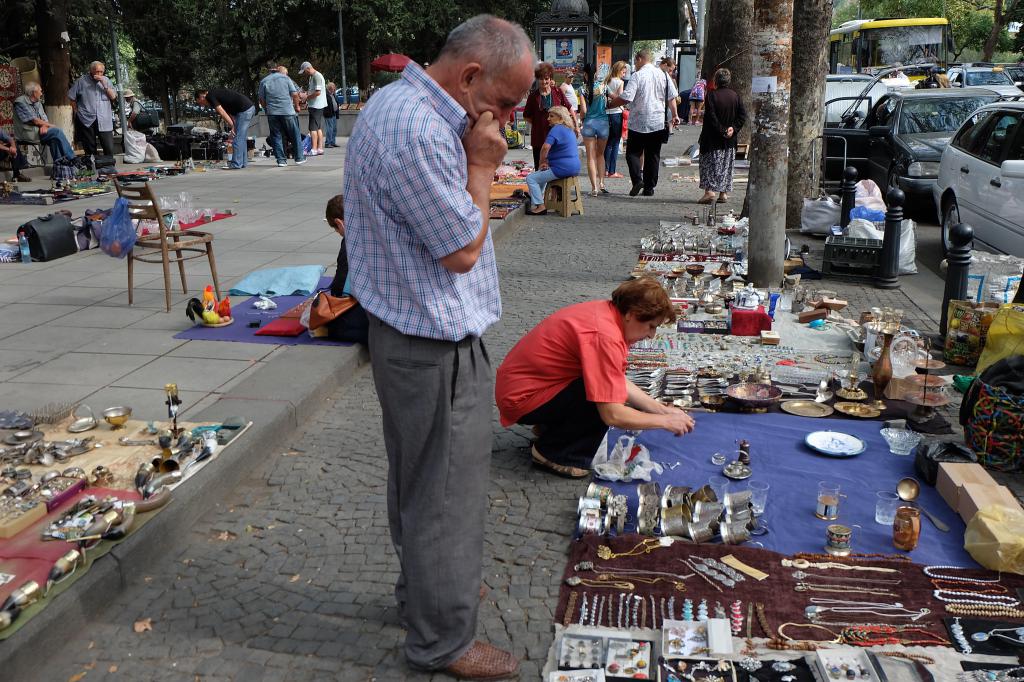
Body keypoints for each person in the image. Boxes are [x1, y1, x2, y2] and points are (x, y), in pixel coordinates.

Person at [343, 14, 534, 680]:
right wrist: (482, 167)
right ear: (471, 74)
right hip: (430, 340)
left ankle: (424, 601)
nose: (506, 119)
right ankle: (442, 641)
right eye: (505, 102)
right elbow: (460, 247)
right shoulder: (417, 127)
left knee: (419, 484)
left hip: (415, 335)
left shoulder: (407, 108)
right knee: (444, 497)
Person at [496, 277, 695, 477]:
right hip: (522, 399)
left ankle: (552, 429)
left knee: (604, 386)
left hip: (527, 387)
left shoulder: (607, 312)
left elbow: (615, 378)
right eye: (651, 326)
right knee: (601, 396)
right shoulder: (605, 336)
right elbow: (613, 414)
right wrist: (664, 422)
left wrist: (662, 410)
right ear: (632, 315)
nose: (652, 335)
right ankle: (554, 453)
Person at [607, 49, 679, 197]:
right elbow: (671, 97)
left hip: (638, 121)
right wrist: (675, 115)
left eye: (635, 61)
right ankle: (649, 188)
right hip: (657, 122)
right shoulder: (664, 75)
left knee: (633, 153)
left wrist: (610, 104)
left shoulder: (637, 76)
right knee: (653, 155)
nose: (635, 64)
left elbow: (627, 97)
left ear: (640, 59)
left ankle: (637, 180)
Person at [323, 194, 368, 344]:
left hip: (372, 312)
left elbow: (340, 288)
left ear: (339, 223)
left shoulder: (350, 242)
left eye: (337, 230)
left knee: (332, 323)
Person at [698, 68, 747, 204]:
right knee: (726, 165)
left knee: (709, 165)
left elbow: (711, 117)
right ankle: (723, 193)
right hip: (730, 140)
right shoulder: (735, 96)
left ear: (716, 81)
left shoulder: (711, 96)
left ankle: (709, 192)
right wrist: (733, 128)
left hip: (712, 139)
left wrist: (722, 130)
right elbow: (742, 116)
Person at [525, 106, 580, 215]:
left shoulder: (557, 129)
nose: (548, 119)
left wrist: (542, 162)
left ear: (560, 118)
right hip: (574, 166)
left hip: (563, 168)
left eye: (551, 116)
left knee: (531, 178)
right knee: (541, 175)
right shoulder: (569, 129)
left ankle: (540, 206)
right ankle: (537, 197)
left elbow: (545, 148)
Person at [523, 62, 571, 169]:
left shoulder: (558, 92)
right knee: (540, 166)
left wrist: (572, 126)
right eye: (541, 79)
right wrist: (537, 123)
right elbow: (526, 115)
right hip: (539, 137)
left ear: (550, 79)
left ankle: (555, 186)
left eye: (546, 78)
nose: (544, 81)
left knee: (556, 166)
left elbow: (568, 108)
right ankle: (541, 185)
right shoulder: (533, 96)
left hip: (557, 136)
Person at [196, 87, 256, 170]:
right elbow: (228, 111)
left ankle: (236, 164)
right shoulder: (216, 94)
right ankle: (243, 163)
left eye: (201, 103)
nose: (203, 105)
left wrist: (232, 125)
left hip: (244, 110)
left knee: (238, 139)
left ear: (202, 96)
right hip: (246, 108)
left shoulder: (210, 96)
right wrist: (234, 125)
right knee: (241, 138)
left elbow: (222, 112)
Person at [13, 83, 75, 163]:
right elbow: (34, 120)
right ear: (34, 92)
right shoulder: (20, 102)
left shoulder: (38, 102)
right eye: (40, 91)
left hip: (40, 131)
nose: (41, 93)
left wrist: (45, 126)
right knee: (57, 131)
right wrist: (50, 125)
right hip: (27, 134)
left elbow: (44, 118)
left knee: (54, 139)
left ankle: (59, 166)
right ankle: (72, 158)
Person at [68, 61, 117, 160]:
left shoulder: (106, 80)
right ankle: (93, 169)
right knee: (90, 148)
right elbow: (71, 97)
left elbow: (113, 96)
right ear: (91, 71)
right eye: (97, 71)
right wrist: (77, 111)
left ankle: (109, 168)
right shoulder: (81, 81)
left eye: (101, 72)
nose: (99, 74)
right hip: (86, 119)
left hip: (104, 119)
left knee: (108, 147)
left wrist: (104, 83)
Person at [258, 64, 305, 167]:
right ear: (278, 70)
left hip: (272, 113)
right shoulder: (286, 78)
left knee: (276, 136)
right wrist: (297, 106)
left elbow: (261, 99)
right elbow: (295, 94)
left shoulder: (264, 81)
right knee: (294, 134)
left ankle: (281, 160)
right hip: (287, 111)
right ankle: (299, 158)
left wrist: (266, 109)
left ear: (270, 70)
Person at [580, 66, 609, 196]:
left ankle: (594, 188)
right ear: (596, 74)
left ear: (585, 75)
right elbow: (613, 98)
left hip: (589, 124)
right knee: (600, 155)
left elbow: (583, 111)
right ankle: (602, 182)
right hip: (603, 123)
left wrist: (581, 119)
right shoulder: (603, 87)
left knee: (590, 157)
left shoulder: (582, 89)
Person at [603, 61, 627, 178]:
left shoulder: (607, 81)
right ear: (619, 70)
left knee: (607, 142)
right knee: (616, 142)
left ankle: (605, 169)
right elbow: (621, 98)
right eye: (623, 71)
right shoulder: (620, 82)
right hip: (616, 113)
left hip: (606, 113)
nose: (624, 74)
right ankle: (612, 171)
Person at [301, 61, 327, 155]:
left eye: (304, 71)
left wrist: (306, 97)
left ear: (308, 68)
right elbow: (314, 91)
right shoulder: (313, 77)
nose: (305, 74)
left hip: (316, 106)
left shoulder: (316, 76)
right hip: (316, 105)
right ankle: (319, 148)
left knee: (312, 128)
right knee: (318, 127)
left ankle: (314, 149)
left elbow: (317, 92)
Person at [324, 82, 340, 147]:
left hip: (334, 113)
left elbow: (335, 103)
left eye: (334, 89)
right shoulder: (326, 95)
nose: (334, 90)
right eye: (333, 89)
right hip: (329, 114)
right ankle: (328, 143)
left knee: (334, 129)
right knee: (329, 129)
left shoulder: (333, 94)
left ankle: (333, 142)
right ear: (330, 88)